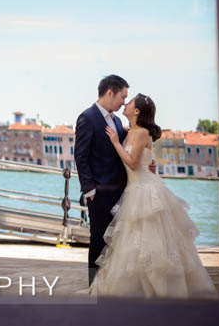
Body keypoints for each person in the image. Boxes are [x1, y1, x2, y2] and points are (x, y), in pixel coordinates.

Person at [89, 93, 216, 297]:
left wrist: (115, 142)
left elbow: (132, 162)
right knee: (133, 244)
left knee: (151, 242)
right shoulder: (130, 130)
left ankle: (158, 290)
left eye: (129, 102)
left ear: (137, 110)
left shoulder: (141, 132)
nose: (126, 103)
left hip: (146, 191)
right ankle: (137, 289)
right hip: (134, 189)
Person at [74, 75, 157, 286]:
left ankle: (111, 285)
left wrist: (147, 163)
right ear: (110, 92)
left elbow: (130, 148)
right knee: (98, 240)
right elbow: (80, 156)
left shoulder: (118, 121)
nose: (123, 102)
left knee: (119, 242)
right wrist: (89, 190)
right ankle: (94, 286)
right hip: (100, 194)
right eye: (123, 96)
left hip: (123, 193)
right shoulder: (87, 117)